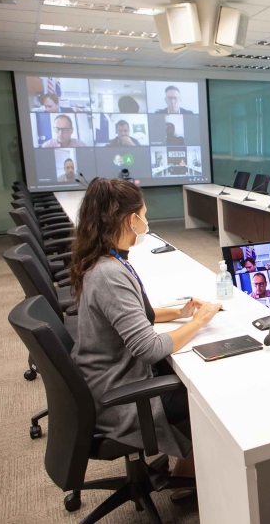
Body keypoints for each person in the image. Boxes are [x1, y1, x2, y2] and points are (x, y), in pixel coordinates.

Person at [69, 177, 222, 497]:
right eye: (144, 214)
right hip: (120, 397)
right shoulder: (110, 274)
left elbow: (137, 316)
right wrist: (200, 321)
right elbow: (150, 348)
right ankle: (191, 478)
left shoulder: (104, 259)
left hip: (105, 379)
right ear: (131, 220)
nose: (146, 221)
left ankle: (187, 464)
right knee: (212, 393)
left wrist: (177, 314)